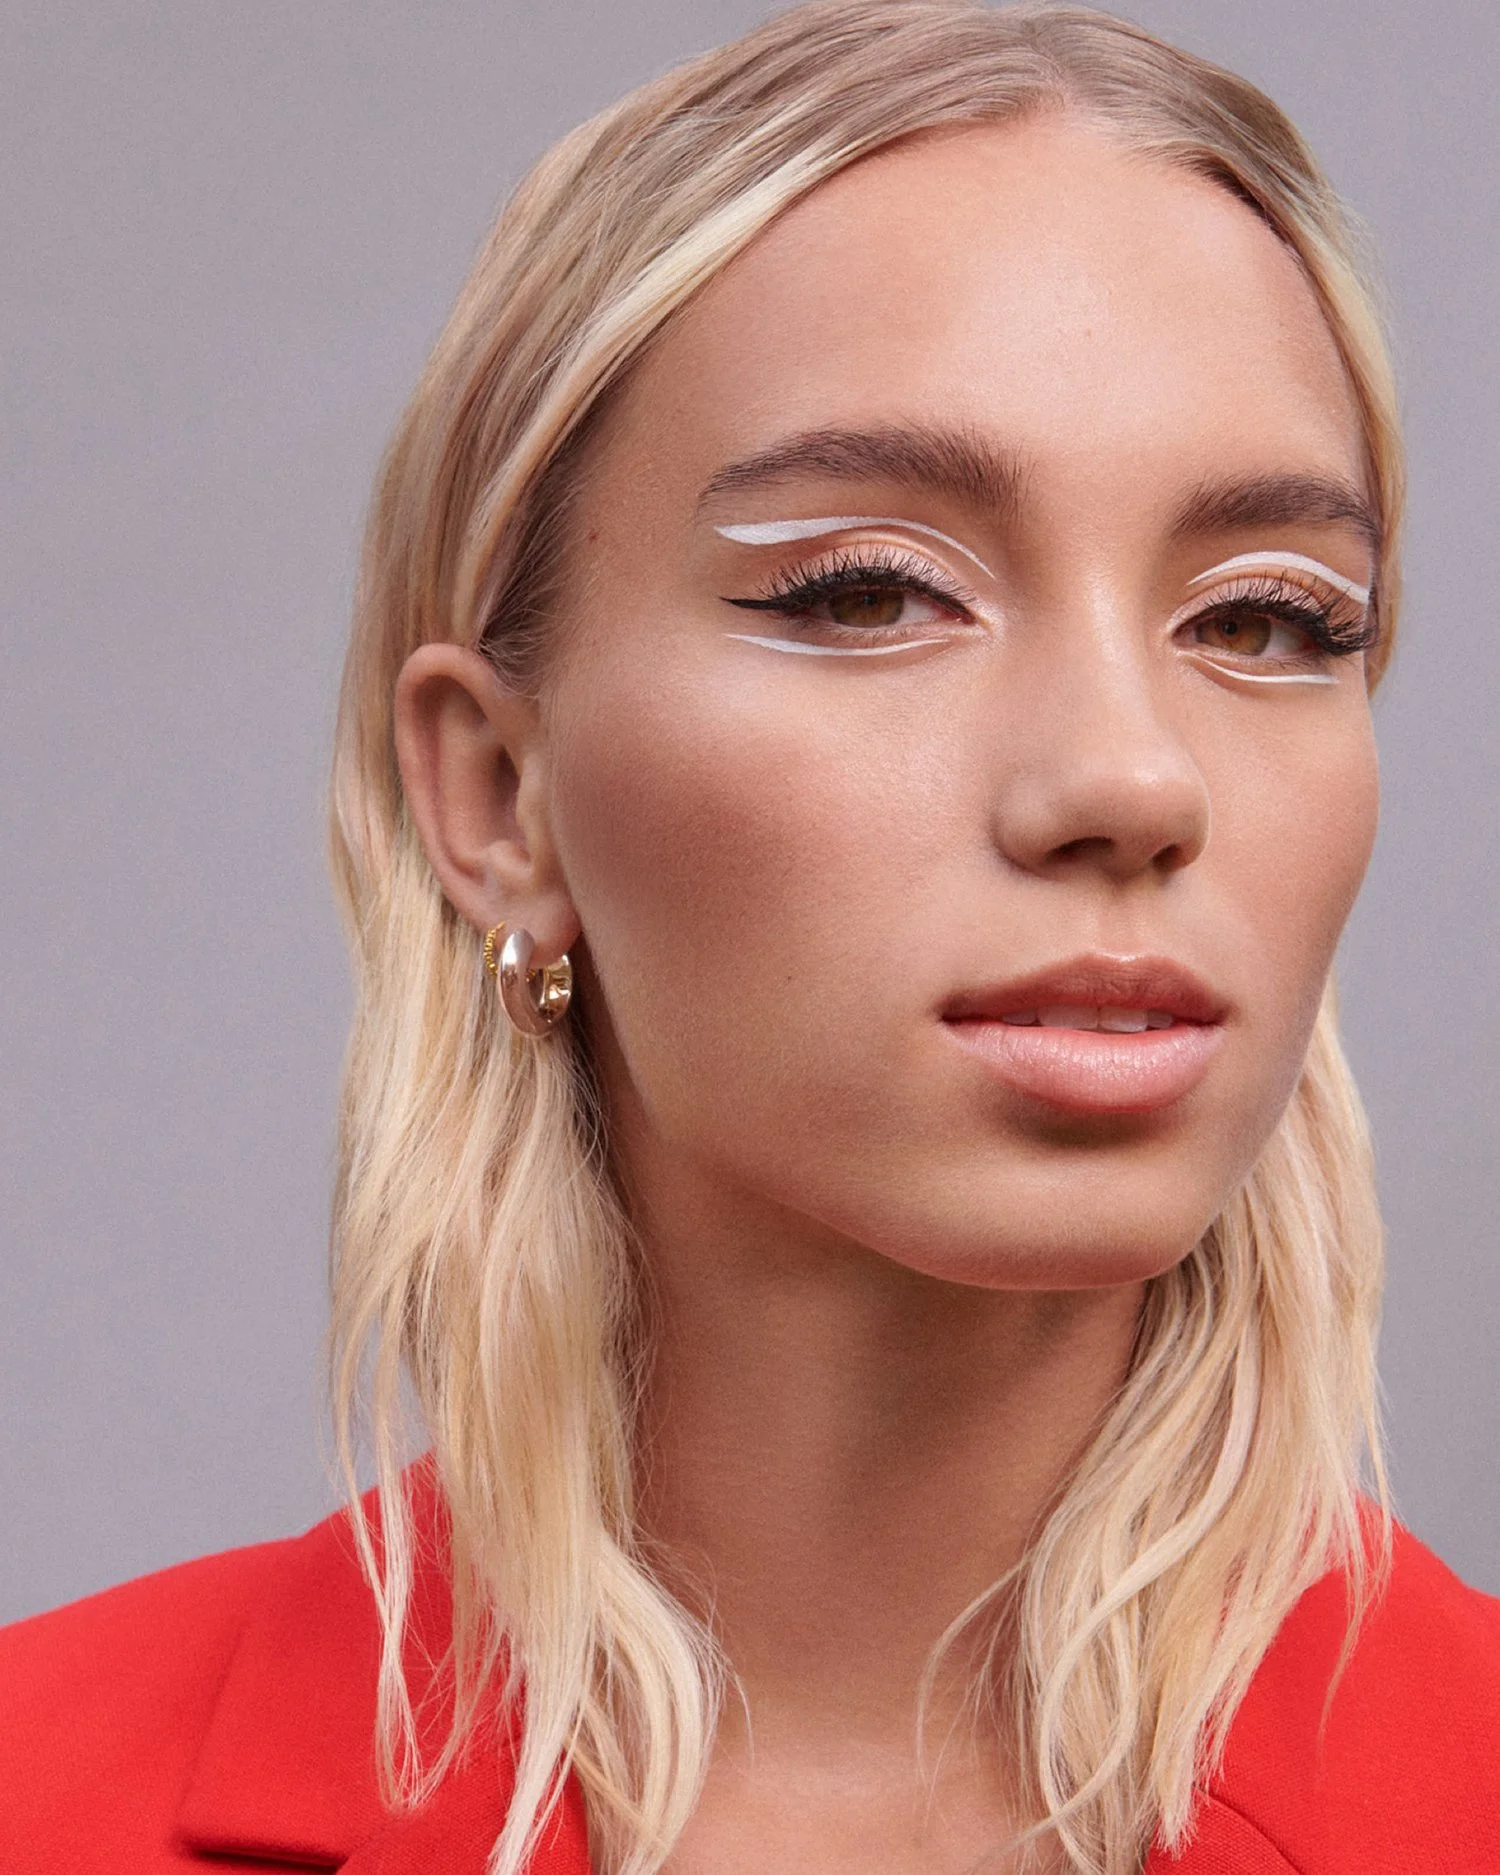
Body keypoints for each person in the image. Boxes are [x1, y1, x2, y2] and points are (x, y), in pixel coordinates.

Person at [3, 3, 1497, 1871]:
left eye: (1271, 621)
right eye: (870, 590)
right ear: (496, 796)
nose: (1133, 775)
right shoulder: (44, 1796)